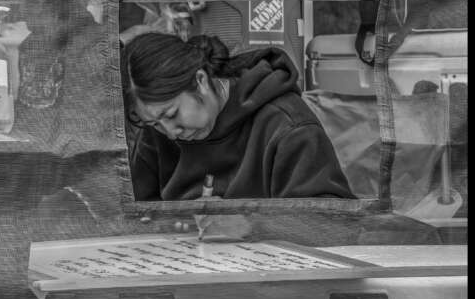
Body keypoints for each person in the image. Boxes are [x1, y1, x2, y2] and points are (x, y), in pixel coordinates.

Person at [123, 31, 355, 201]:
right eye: (154, 123)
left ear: (201, 81)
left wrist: (244, 224)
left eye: (172, 113)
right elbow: (136, 218)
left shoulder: (286, 126)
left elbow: (330, 222)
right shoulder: (156, 134)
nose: (171, 132)